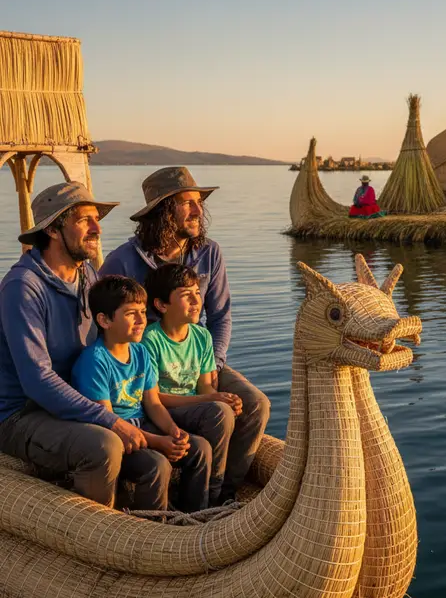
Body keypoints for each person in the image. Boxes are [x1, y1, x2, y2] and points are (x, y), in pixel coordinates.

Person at [100, 166, 270, 497]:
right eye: (187, 203)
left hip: (198, 354)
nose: (198, 210)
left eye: (199, 202)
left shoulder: (209, 252)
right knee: (218, 411)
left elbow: (220, 315)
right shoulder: (122, 261)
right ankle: (199, 492)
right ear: (164, 211)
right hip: (148, 367)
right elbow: (103, 324)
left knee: (256, 404)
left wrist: (215, 363)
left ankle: (226, 492)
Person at [0, 182, 147, 508]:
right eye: (84, 220)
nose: (97, 228)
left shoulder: (87, 276)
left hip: (79, 398)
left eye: (97, 219)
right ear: (53, 230)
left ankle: (151, 521)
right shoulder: (23, 288)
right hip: (22, 414)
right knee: (104, 445)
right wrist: (110, 419)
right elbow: (37, 381)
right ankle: (96, 533)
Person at [72, 275, 211, 512]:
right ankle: (152, 525)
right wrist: (159, 442)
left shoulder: (140, 353)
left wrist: (173, 431)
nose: (140, 320)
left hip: (143, 424)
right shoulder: (94, 361)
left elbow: (153, 403)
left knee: (200, 448)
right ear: (104, 320)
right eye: (130, 314)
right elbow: (108, 420)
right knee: (157, 465)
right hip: (117, 437)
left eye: (143, 312)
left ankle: (194, 514)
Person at [143, 263, 257, 505]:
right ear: (161, 305)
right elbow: (154, 398)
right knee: (218, 411)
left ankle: (222, 488)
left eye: (197, 292)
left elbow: (205, 386)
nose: (196, 300)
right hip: (165, 411)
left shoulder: (202, 336)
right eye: (186, 295)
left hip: (195, 409)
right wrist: (212, 399)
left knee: (230, 408)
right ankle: (211, 496)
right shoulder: (150, 340)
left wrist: (223, 398)